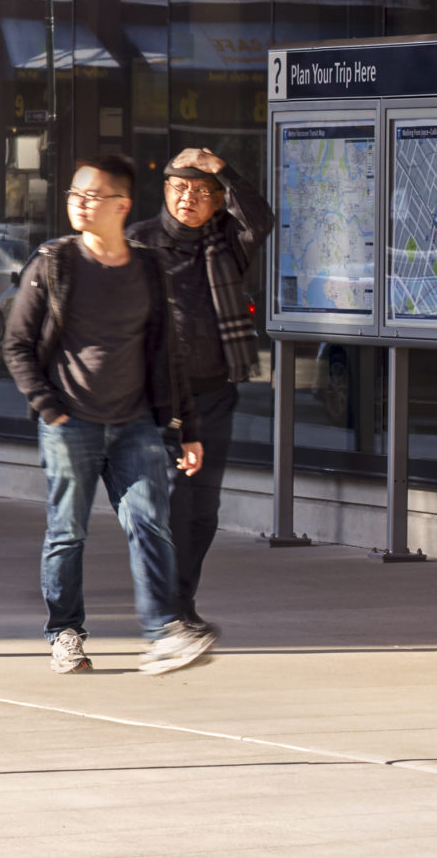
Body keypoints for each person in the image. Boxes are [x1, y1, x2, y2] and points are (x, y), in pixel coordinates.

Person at [1, 151, 211, 678]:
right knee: (67, 532)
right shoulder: (53, 263)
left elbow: (168, 355)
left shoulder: (148, 269)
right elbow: (16, 344)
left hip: (135, 422)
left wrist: (185, 426)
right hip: (71, 423)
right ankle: (65, 633)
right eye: (74, 194)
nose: (79, 204)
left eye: (91, 196)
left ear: (121, 205)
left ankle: (164, 631)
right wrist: (49, 408)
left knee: (150, 523)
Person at [128, 143, 274, 640]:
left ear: (216, 200)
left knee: (203, 507)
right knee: (169, 502)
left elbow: (261, 217)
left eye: (201, 190)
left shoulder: (226, 242)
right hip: (158, 398)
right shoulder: (139, 242)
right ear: (165, 191)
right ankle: (166, 606)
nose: (188, 197)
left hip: (213, 393)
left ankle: (182, 600)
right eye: (179, 187)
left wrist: (223, 168)